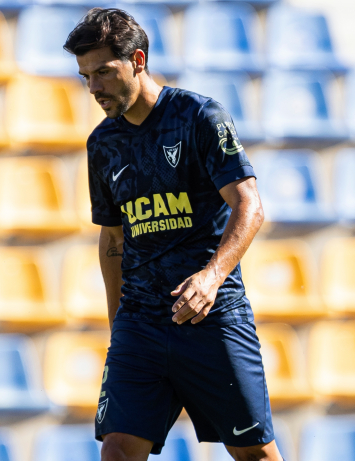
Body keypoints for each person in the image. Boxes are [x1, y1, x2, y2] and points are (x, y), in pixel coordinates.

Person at [64, 8, 282, 461]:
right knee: (119, 450)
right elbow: (111, 241)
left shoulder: (200, 116)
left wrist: (211, 276)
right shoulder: (102, 144)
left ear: (138, 60)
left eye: (103, 72)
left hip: (210, 318)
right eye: (86, 76)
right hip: (139, 325)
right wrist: (117, 325)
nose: (94, 88)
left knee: (253, 455)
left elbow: (250, 205)